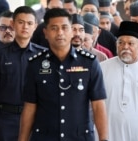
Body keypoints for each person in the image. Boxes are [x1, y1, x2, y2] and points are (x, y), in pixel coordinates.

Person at [18, 8, 108, 141]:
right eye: (54, 28)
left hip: (79, 137)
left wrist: (103, 138)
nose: (60, 32)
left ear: (71, 31)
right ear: (45, 33)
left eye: (64, 27)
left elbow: (98, 105)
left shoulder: (89, 63)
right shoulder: (35, 64)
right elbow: (30, 107)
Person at [0, 6, 47, 141]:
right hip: (4, 119)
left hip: (36, 119)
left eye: (30, 23)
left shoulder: (44, 55)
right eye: (21, 22)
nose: (25, 27)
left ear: (35, 26)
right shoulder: (0, 54)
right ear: (12, 24)